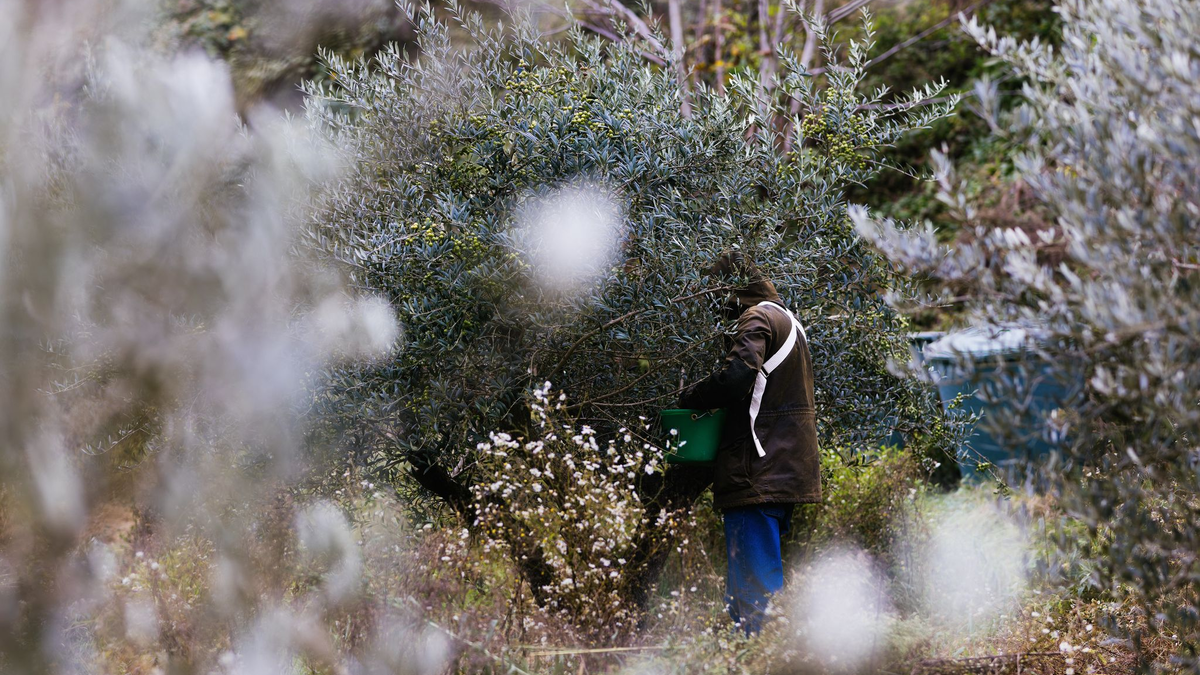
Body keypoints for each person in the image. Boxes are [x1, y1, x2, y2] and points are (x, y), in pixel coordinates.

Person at [678, 250, 821, 635]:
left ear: (731, 290)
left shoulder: (757, 316)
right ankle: (753, 654)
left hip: (756, 469)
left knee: (756, 591)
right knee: (750, 584)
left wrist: (691, 398)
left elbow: (737, 377)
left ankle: (766, 658)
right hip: (787, 468)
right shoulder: (791, 322)